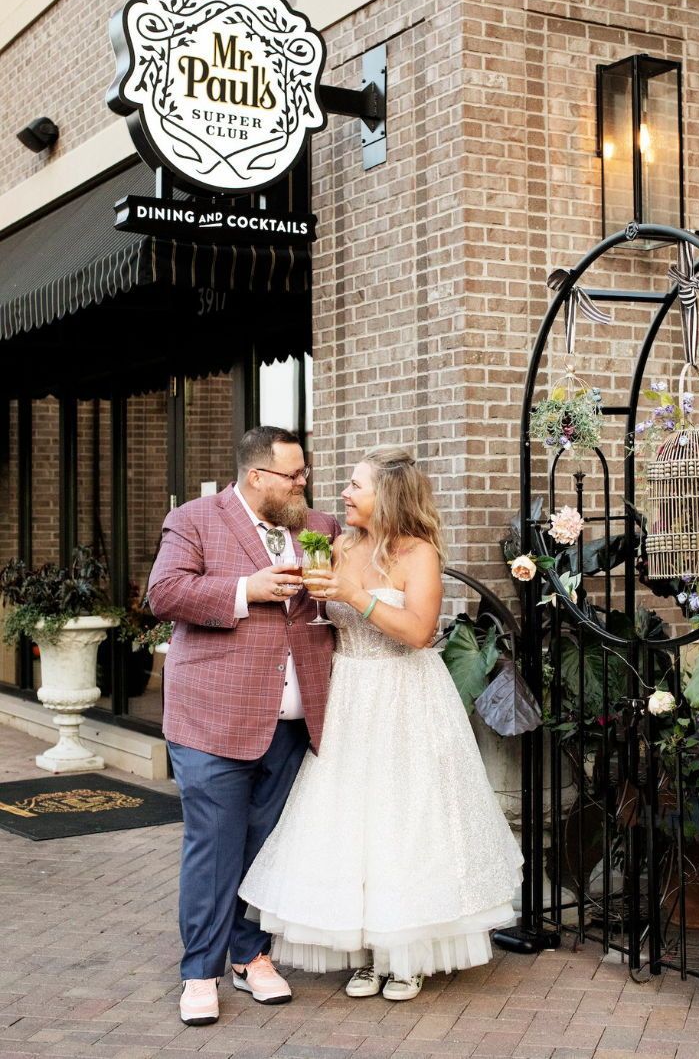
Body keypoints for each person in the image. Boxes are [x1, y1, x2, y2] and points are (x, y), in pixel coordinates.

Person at [240, 446, 523, 1001]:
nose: (342, 494)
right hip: (348, 695)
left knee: (406, 820)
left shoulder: (418, 553)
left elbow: (419, 632)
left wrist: (353, 594)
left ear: (387, 497)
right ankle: (367, 952)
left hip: (405, 694)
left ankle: (407, 955)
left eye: (355, 486)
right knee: (352, 820)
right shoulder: (339, 545)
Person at [147, 426, 340, 1026]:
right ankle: (198, 971)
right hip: (211, 719)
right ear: (258, 477)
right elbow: (165, 593)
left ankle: (250, 955)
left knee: (264, 849)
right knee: (213, 848)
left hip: (291, 722)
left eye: (305, 473)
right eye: (294, 475)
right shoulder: (196, 520)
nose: (304, 483)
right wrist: (244, 589)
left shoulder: (321, 529)